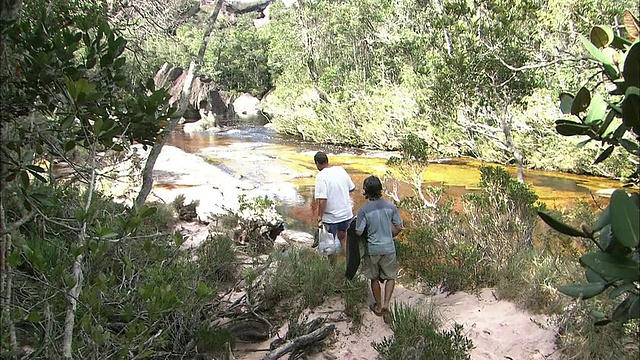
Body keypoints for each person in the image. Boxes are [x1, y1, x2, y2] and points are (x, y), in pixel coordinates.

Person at [355, 175, 403, 316]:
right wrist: (390, 234)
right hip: (389, 248)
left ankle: (378, 306)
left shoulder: (364, 210)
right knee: (390, 277)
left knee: (374, 278)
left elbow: (358, 232)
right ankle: (386, 304)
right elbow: (399, 227)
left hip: (373, 250)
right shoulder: (390, 207)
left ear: (366, 191)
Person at [313, 151, 356, 260]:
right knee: (343, 238)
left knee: (329, 243)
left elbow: (322, 199)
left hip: (331, 217)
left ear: (317, 163)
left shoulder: (320, 176)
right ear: (327, 161)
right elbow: (352, 188)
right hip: (346, 214)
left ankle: (333, 268)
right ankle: (348, 264)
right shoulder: (340, 170)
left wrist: (319, 217)